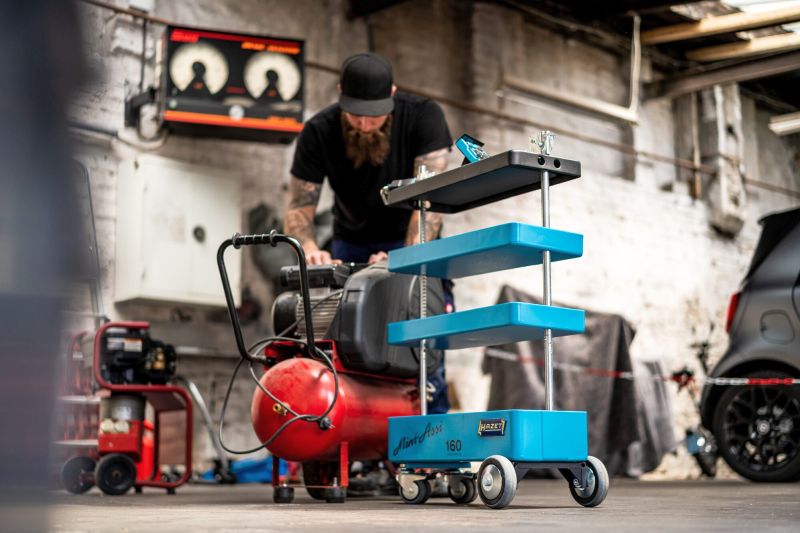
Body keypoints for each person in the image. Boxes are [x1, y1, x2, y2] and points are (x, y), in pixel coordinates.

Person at [283, 52, 452, 495]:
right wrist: (311, 250)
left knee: (425, 350)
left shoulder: (424, 118)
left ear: (392, 97)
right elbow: (298, 208)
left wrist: (402, 260)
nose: (363, 124)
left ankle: (430, 456)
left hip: (412, 241)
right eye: (355, 115)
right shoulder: (319, 130)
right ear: (340, 97)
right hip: (351, 246)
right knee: (347, 351)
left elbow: (429, 203)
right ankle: (352, 449)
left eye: (374, 116)